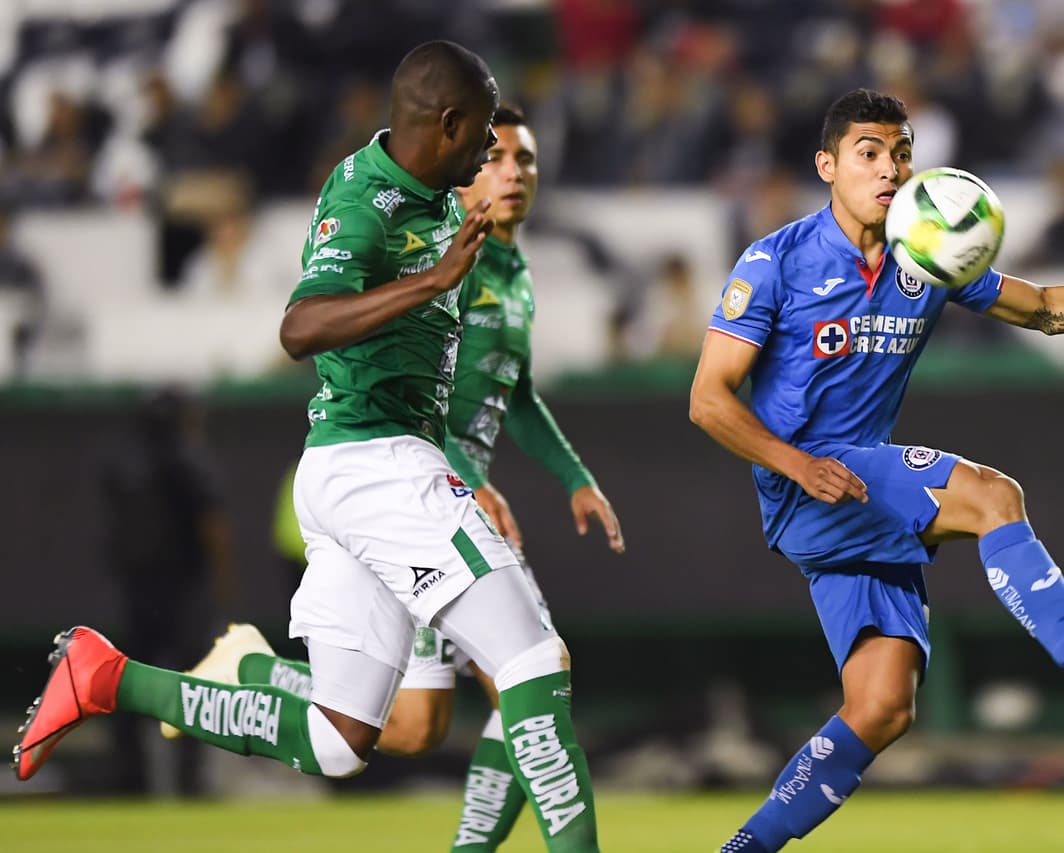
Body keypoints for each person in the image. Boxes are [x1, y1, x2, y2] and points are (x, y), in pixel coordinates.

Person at [15, 41, 600, 853]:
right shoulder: (365, 199)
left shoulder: (444, 205)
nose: (489, 156)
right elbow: (299, 326)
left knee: (340, 738)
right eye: (483, 140)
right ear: (449, 124)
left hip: (358, 471)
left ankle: (109, 676)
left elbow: (485, 372)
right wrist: (431, 284)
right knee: (533, 659)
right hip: (382, 466)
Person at [689, 89, 1064, 853]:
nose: (889, 168)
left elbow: (1045, 307)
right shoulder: (776, 261)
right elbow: (708, 399)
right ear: (827, 165)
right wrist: (798, 463)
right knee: (992, 494)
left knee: (882, 707)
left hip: (853, 493)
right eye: (869, 153)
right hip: (808, 480)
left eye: (901, 153)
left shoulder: (927, 252)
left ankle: (742, 849)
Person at [159, 106, 625, 851]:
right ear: (465, 173)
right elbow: (404, 381)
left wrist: (574, 476)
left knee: (412, 726)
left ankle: (256, 669)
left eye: (526, 160)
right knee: (532, 674)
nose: (511, 173)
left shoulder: (513, 274)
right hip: (418, 495)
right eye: (496, 158)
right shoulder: (446, 255)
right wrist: (466, 474)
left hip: (433, 495)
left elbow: (518, 392)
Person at [100, 386, 236, 795]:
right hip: (184, 592)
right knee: (193, 685)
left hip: (137, 592)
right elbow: (212, 525)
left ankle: (130, 781)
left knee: (129, 684)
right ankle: (190, 781)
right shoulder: (190, 460)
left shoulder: (122, 462)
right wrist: (225, 582)